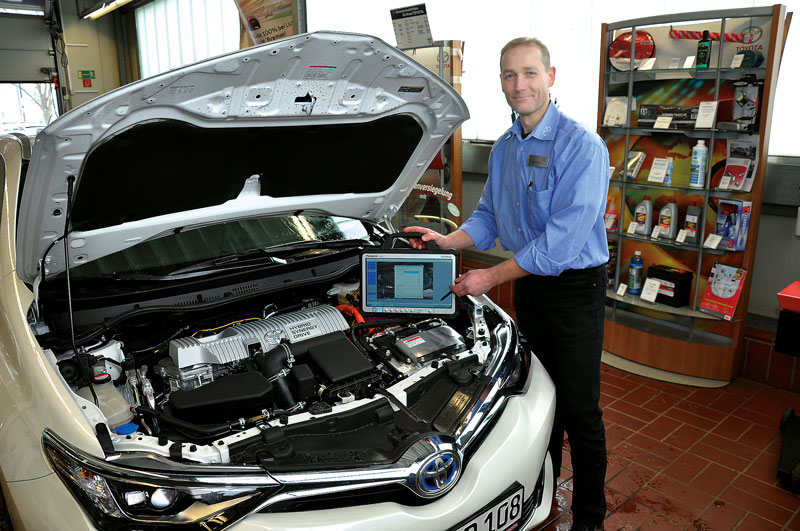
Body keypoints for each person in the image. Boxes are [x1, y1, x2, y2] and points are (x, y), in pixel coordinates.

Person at [404, 37, 609, 531]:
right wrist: (449, 241)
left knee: (580, 409)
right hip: (530, 287)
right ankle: (545, 491)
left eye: (530, 73)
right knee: (540, 396)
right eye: (509, 75)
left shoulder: (582, 147)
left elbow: (560, 245)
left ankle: (591, 518)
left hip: (574, 288)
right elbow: (489, 215)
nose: (520, 85)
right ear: (500, 81)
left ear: (551, 76)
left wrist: (490, 277)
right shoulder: (504, 147)